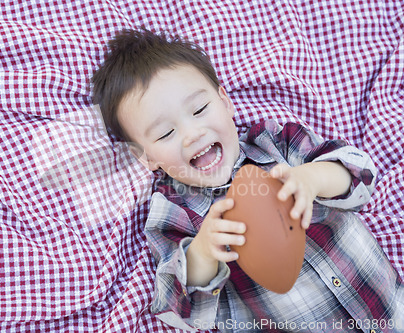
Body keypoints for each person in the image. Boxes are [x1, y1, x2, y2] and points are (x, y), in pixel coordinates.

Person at [92, 29, 404, 332]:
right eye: (166, 133)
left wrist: (313, 178)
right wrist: (203, 253)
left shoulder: (275, 144)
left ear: (225, 102)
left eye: (200, 109)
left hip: (389, 306)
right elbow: (181, 312)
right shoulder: (174, 211)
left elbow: (360, 174)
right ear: (145, 157)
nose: (192, 134)